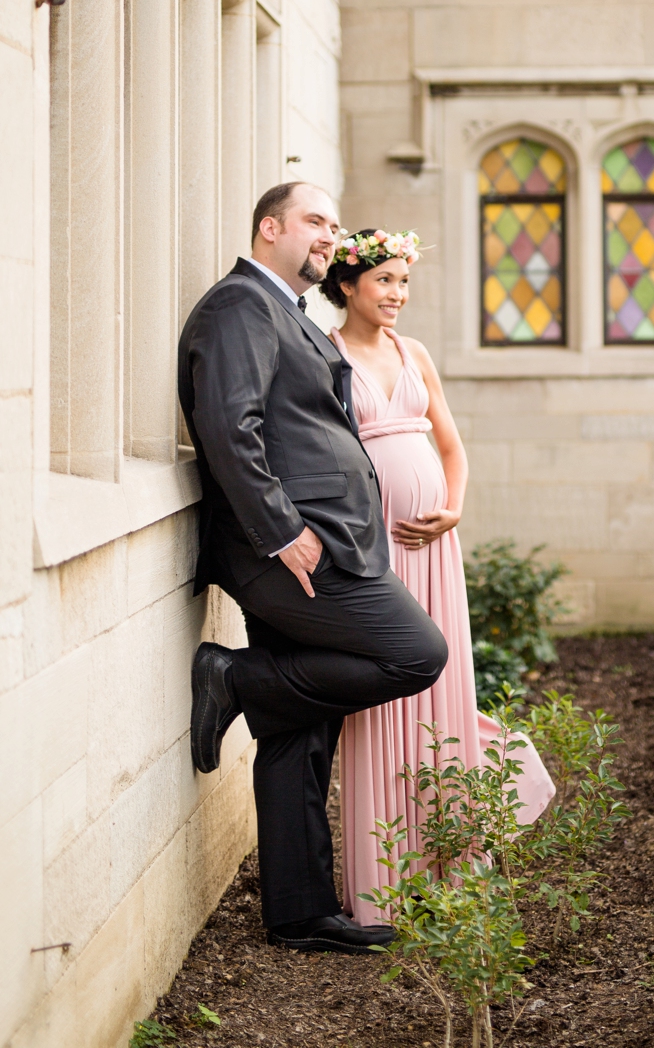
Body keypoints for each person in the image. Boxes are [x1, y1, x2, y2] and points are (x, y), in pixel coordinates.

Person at [179, 183, 450, 954]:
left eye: (333, 224)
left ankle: (300, 913)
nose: (329, 235)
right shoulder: (240, 306)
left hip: (320, 543)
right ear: (270, 228)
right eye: (314, 221)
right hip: (290, 551)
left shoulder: (285, 312)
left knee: (301, 728)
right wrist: (280, 530)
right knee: (415, 653)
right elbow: (231, 425)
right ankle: (234, 679)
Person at [322, 229, 554, 924]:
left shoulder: (413, 354)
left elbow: (451, 448)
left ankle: (454, 866)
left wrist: (453, 509)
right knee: (385, 697)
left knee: (444, 689)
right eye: (383, 281)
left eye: (403, 282)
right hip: (375, 550)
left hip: (434, 551)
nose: (396, 295)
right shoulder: (325, 356)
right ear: (348, 285)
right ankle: (384, 888)